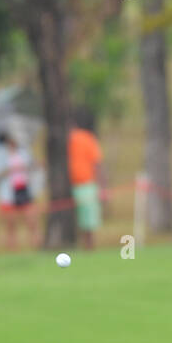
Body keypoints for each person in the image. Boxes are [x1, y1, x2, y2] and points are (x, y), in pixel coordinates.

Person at [0, 132, 39, 250]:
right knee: (11, 225)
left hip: (24, 189)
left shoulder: (23, 152)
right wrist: (10, 170)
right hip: (8, 193)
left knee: (32, 220)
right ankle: (12, 249)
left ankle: (36, 246)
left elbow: (33, 166)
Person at [69, 106, 105, 250]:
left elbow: (97, 164)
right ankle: (84, 247)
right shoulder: (86, 139)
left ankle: (88, 248)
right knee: (83, 221)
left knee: (86, 221)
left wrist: (101, 187)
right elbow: (98, 164)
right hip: (78, 186)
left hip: (84, 185)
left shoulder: (82, 138)